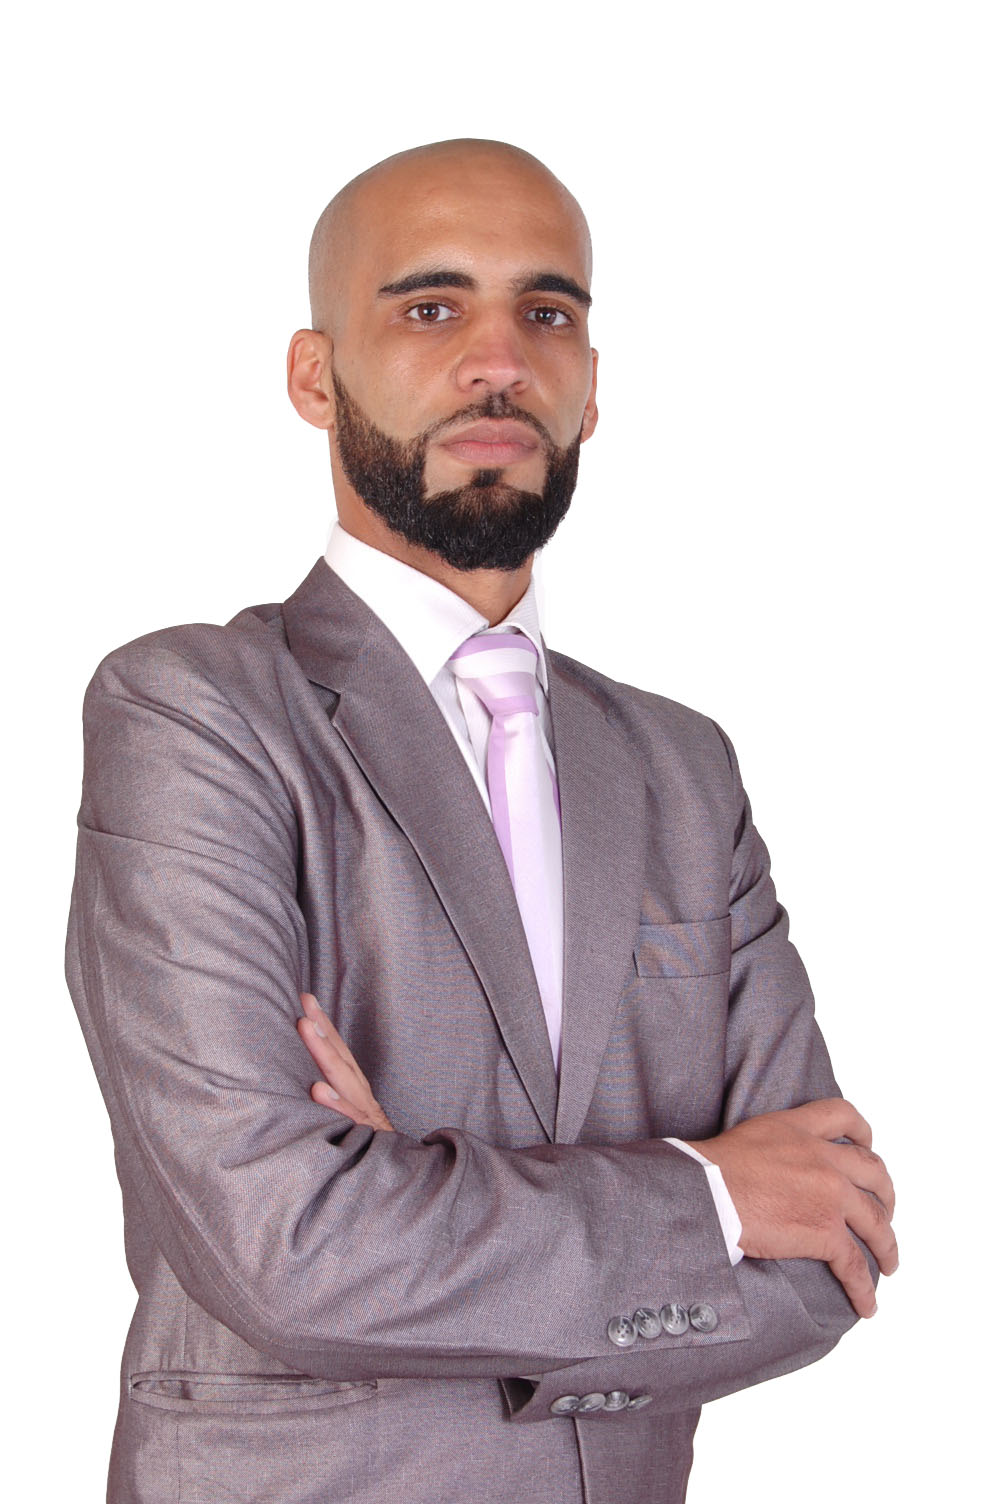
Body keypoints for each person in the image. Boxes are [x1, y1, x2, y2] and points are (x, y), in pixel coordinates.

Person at [66, 138, 897, 1504]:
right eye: (432, 307)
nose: (499, 359)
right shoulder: (193, 713)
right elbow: (287, 1247)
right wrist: (708, 1196)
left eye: (547, 312)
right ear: (315, 375)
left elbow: (827, 1257)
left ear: (591, 387)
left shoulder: (683, 769)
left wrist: (408, 1195)